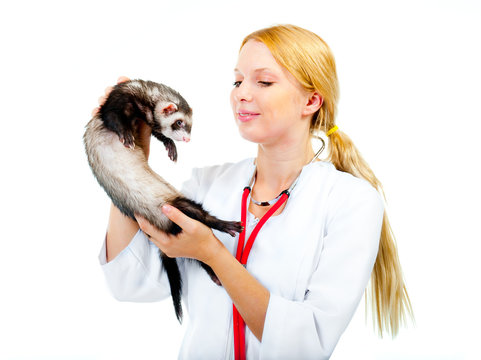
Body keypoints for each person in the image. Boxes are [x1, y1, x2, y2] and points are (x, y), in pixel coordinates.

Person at [94, 24, 412, 360]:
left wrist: (214, 255)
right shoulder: (207, 185)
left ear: (311, 100)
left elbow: (306, 346)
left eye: (263, 81)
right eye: (237, 80)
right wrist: (129, 156)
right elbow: (130, 282)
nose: (240, 94)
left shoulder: (351, 202)